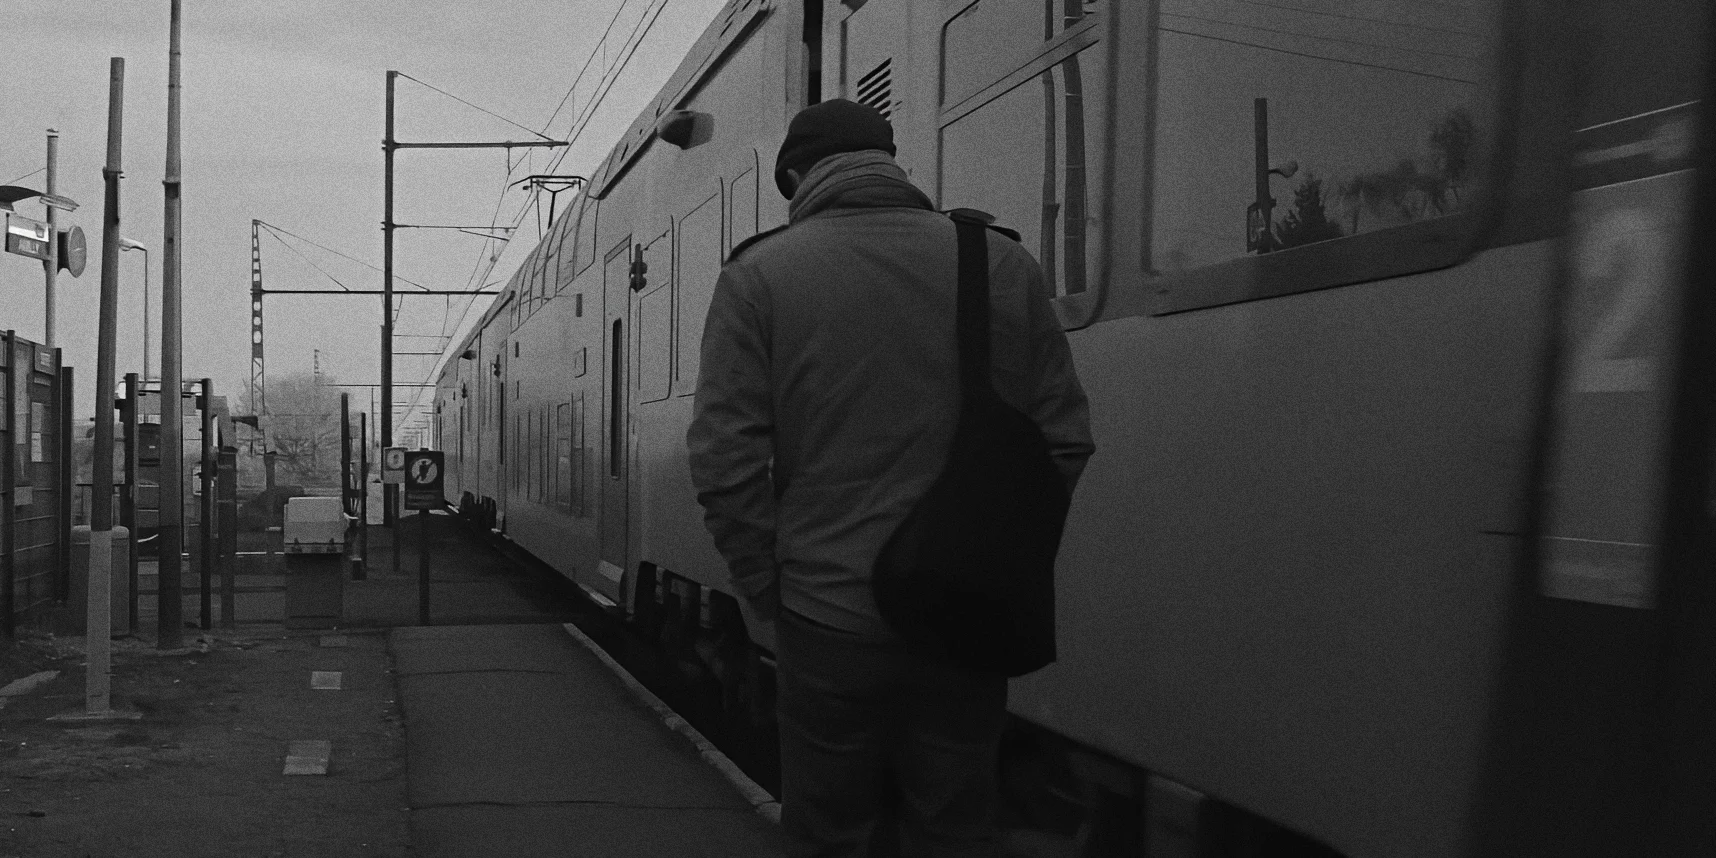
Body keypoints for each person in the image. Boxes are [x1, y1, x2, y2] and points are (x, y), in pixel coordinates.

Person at [687, 98, 1095, 857]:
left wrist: (767, 589)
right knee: (955, 832)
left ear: (797, 177)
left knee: (830, 832)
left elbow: (725, 461)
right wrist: (1002, 559)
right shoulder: (1000, 262)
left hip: (826, 614)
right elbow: (1064, 439)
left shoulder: (759, 277)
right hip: (966, 621)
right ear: (893, 165)